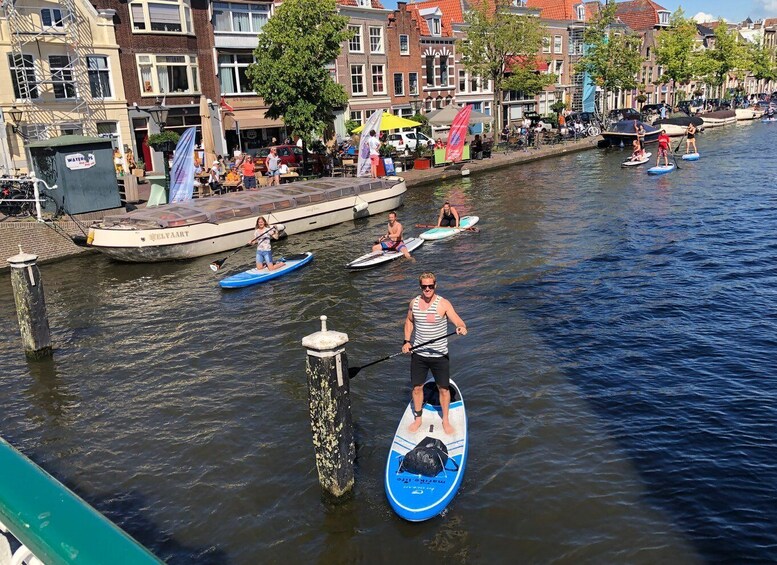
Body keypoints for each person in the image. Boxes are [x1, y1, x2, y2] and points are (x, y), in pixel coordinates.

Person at [402, 272, 468, 434]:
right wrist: (406, 341)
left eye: (430, 286)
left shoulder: (443, 304)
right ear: (420, 287)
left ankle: (445, 420)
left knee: (443, 389)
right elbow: (409, 321)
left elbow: (459, 321)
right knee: (417, 388)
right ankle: (418, 418)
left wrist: (461, 327)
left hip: (439, 356)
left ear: (435, 286)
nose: (427, 289)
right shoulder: (414, 303)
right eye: (424, 286)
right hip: (419, 354)